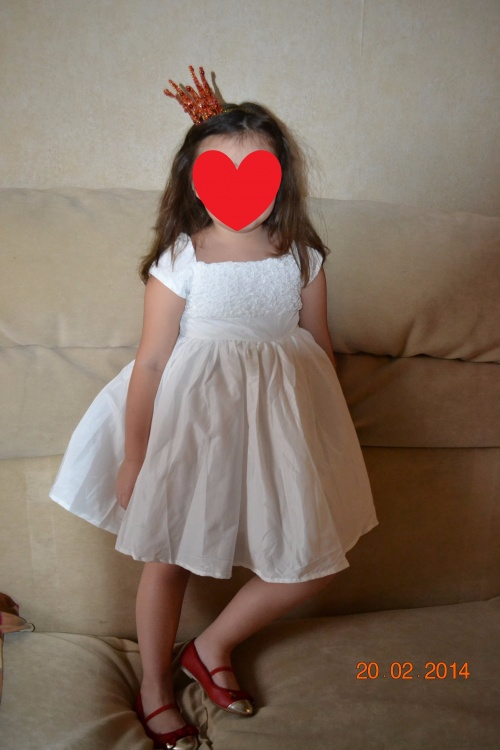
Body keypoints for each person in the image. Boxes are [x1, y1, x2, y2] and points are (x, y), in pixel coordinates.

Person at [49, 67, 378, 750]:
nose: (238, 186)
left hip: (276, 432)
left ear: (281, 178)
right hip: (191, 426)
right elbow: (150, 361)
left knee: (312, 562)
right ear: (193, 181)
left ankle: (212, 646)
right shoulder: (184, 256)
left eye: (255, 170)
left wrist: (327, 440)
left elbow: (320, 351)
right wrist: (136, 454)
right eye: (218, 171)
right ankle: (154, 687)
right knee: (168, 555)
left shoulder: (303, 257)